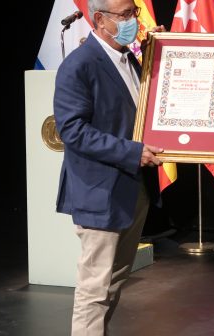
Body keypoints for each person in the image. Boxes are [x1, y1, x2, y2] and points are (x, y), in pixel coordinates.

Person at [52, 0, 164, 334]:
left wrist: (160, 53)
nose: (134, 20)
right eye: (126, 15)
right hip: (99, 191)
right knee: (94, 287)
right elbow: (72, 130)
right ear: (99, 20)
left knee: (114, 280)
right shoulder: (79, 65)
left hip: (133, 188)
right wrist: (132, 152)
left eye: (135, 13)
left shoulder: (129, 57)